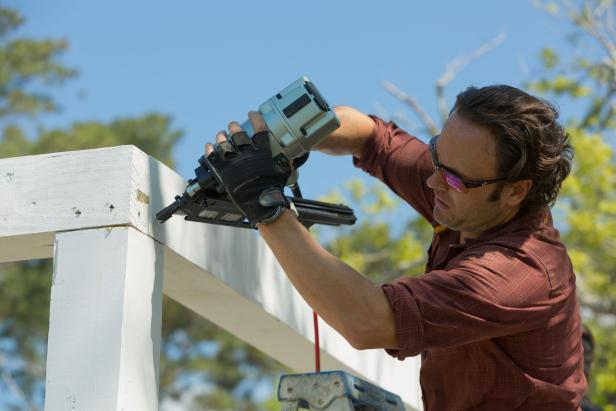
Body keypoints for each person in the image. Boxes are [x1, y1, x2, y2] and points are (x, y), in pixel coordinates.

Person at [204, 85, 586, 410]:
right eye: (437, 155)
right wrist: (287, 139)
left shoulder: (521, 270)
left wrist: (265, 207)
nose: (433, 180)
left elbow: (369, 321)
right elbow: (371, 136)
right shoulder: (470, 192)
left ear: (516, 190)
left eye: (454, 179)